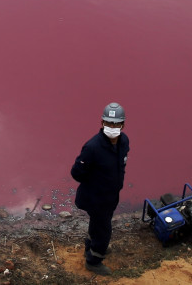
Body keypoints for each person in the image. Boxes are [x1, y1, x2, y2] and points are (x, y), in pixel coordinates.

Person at [70, 101, 130, 275]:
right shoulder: (93, 147)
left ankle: (90, 247)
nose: (112, 127)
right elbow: (76, 173)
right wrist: (94, 183)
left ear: (123, 125)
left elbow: (121, 164)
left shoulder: (123, 141)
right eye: (109, 123)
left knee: (98, 225)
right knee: (103, 230)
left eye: (116, 124)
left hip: (111, 195)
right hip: (95, 197)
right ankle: (94, 261)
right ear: (102, 123)